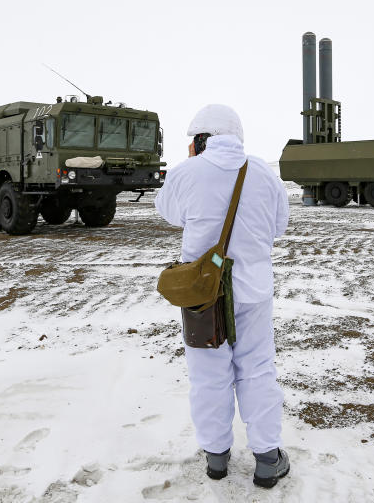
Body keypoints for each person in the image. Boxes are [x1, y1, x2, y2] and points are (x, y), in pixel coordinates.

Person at [155, 104, 291, 488]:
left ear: (200, 139)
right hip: (254, 290)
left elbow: (168, 212)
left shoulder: (186, 172)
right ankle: (267, 458)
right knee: (258, 369)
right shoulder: (264, 173)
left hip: (204, 294)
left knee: (209, 376)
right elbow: (278, 226)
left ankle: (216, 457)